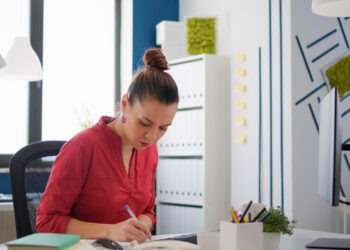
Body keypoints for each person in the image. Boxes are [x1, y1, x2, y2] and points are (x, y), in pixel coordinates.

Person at [36, 48, 179, 242]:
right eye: (145, 123)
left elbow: (147, 211)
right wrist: (110, 231)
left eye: (163, 128)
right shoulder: (83, 147)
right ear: (125, 104)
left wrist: (141, 226)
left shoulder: (149, 151)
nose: (152, 136)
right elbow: (47, 221)